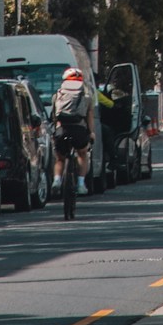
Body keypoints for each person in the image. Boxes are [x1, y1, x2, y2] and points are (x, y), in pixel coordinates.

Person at [53, 66, 92, 217]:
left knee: (60, 157)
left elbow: (55, 117)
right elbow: (89, 117)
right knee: (82, 153)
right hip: (79, 131)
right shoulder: (86, 96)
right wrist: (92, 133)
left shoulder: (58, 94)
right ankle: (81, 183)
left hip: (62, 130)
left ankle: (57, 180)